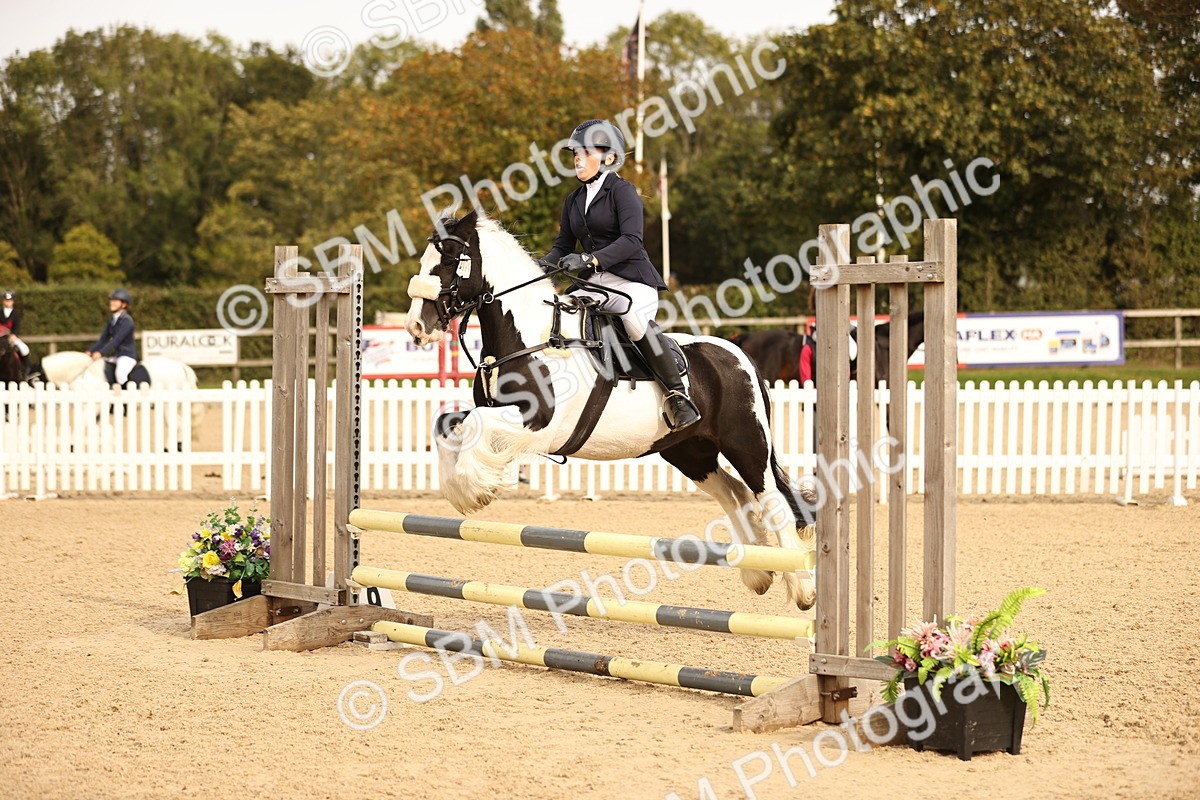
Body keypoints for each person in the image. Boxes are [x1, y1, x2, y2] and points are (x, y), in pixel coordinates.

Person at [540, 119, 700, 431]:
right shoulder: (573, 200)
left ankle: (677, 395)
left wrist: (589, 258)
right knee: (557, 314)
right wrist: (538, 266)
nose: (577, 158)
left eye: (585, 151)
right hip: (593, 284)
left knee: (633, 321)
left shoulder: (623, 191)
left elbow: (631, 241)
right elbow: (561, 247)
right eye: (575, 152)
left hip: (632, 282)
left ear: (609, 158)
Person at [87, 288, 138, 385]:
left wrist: (100, 353)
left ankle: (127, 398)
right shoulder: (111, 320)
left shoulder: (127, 321)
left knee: (120, 375)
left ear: (124, 304)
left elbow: (116, 340)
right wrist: (90, 351)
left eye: (115, 301)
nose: (111, 302)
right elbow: (103, 340)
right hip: (116, 356)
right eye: (111, 300)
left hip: (127, 356)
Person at [1, 289, 32, 376]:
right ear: (3, 301)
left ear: (13, 301)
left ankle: (25, 371)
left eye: (10, 300)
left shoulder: (16, 313)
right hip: (0, 338)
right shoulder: (0, 312)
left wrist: (14, 335)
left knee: (25, 349)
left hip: (11, 337)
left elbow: (17, 326)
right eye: (6, 300)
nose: (8, 302)